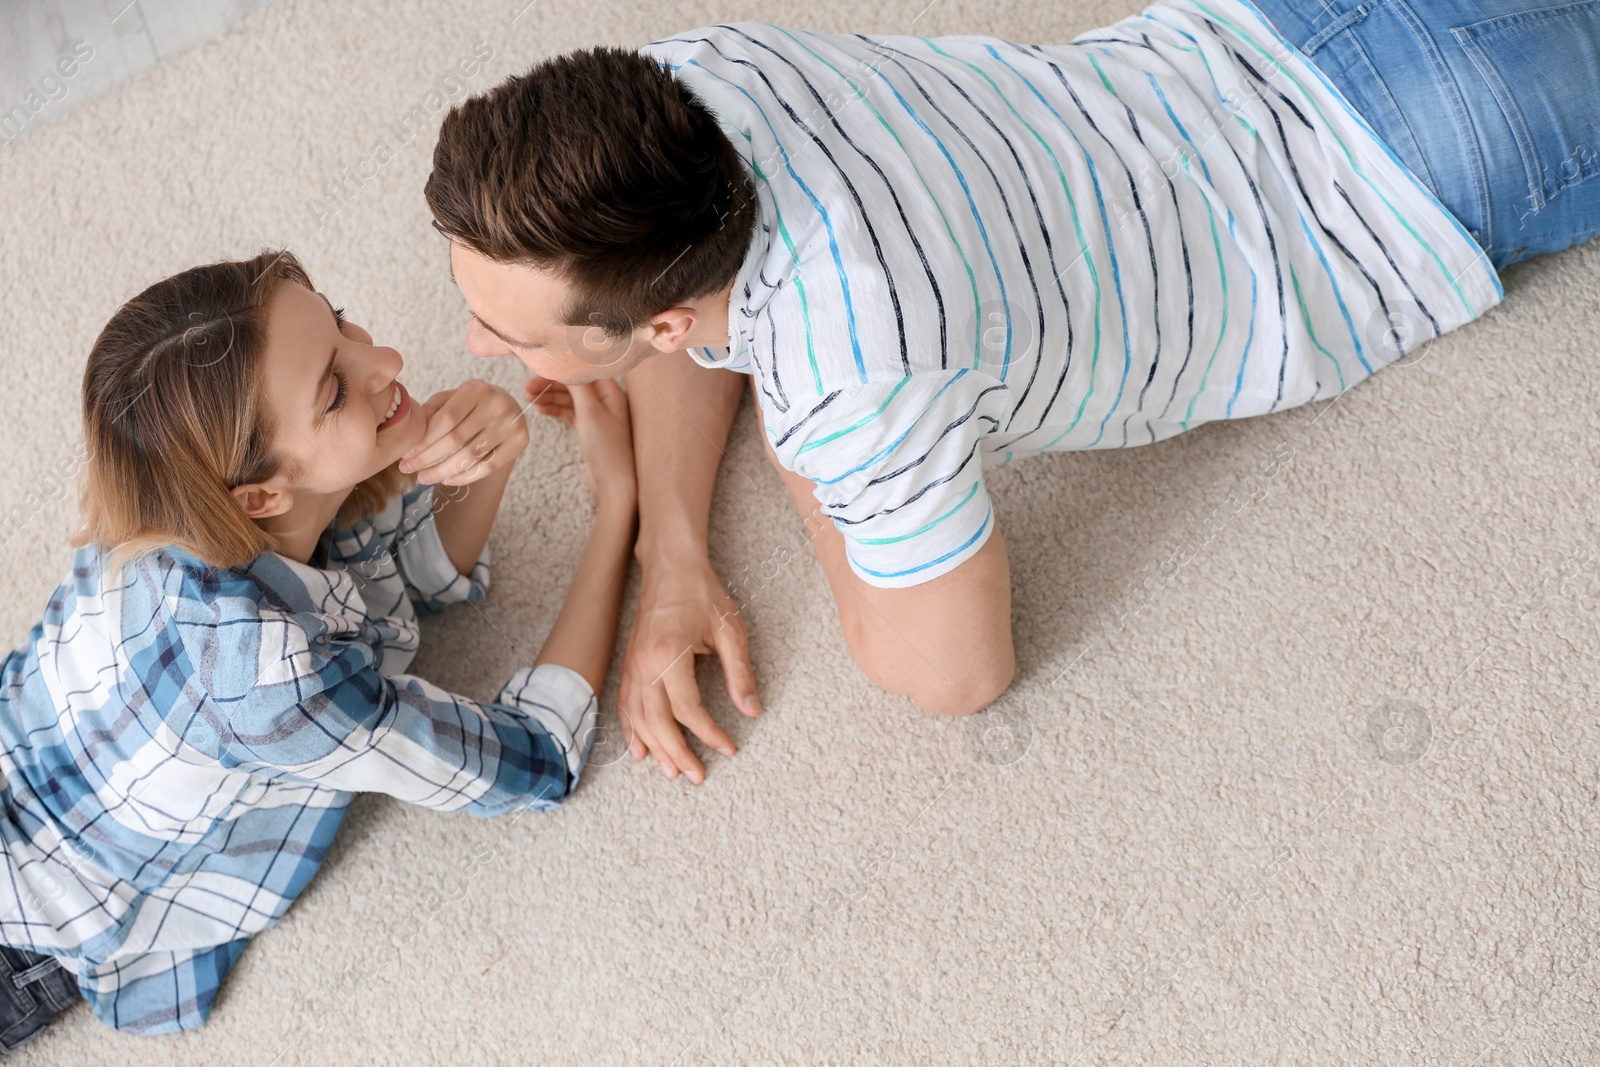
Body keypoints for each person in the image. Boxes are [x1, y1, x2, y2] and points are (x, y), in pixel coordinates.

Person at [423, 0, 1598, 784]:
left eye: (504, 323)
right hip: (1277, 27)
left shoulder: (855, 381)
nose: (476, 343)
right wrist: (673, 551)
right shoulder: (685, 82)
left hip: (1421, 169)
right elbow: (685, 325)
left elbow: (954, 672)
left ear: (667, 320)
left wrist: (803, 453)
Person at [0, 250, 637, 1037]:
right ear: (261, 494)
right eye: (336, 389)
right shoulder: (274, 684)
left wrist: (488, 463)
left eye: (338, 320)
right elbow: (536, 758)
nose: (388, 360)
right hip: (24, 930)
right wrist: (620, 513)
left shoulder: (166, 485)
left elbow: (401, 581)